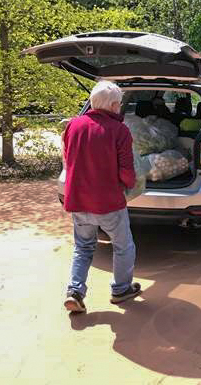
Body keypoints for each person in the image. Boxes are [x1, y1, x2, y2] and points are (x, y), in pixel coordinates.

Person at [62, 81, 141, 313]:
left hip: (78, 200)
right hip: (108, 202)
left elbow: (69, 160)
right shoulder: (120, 131)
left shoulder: (73, 126)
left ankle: (74, 292)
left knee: (83, 247)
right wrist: (132, 185)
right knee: (123, 246)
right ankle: (121, 289)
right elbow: (126, 170)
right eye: (119, 104)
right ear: (115, 105)